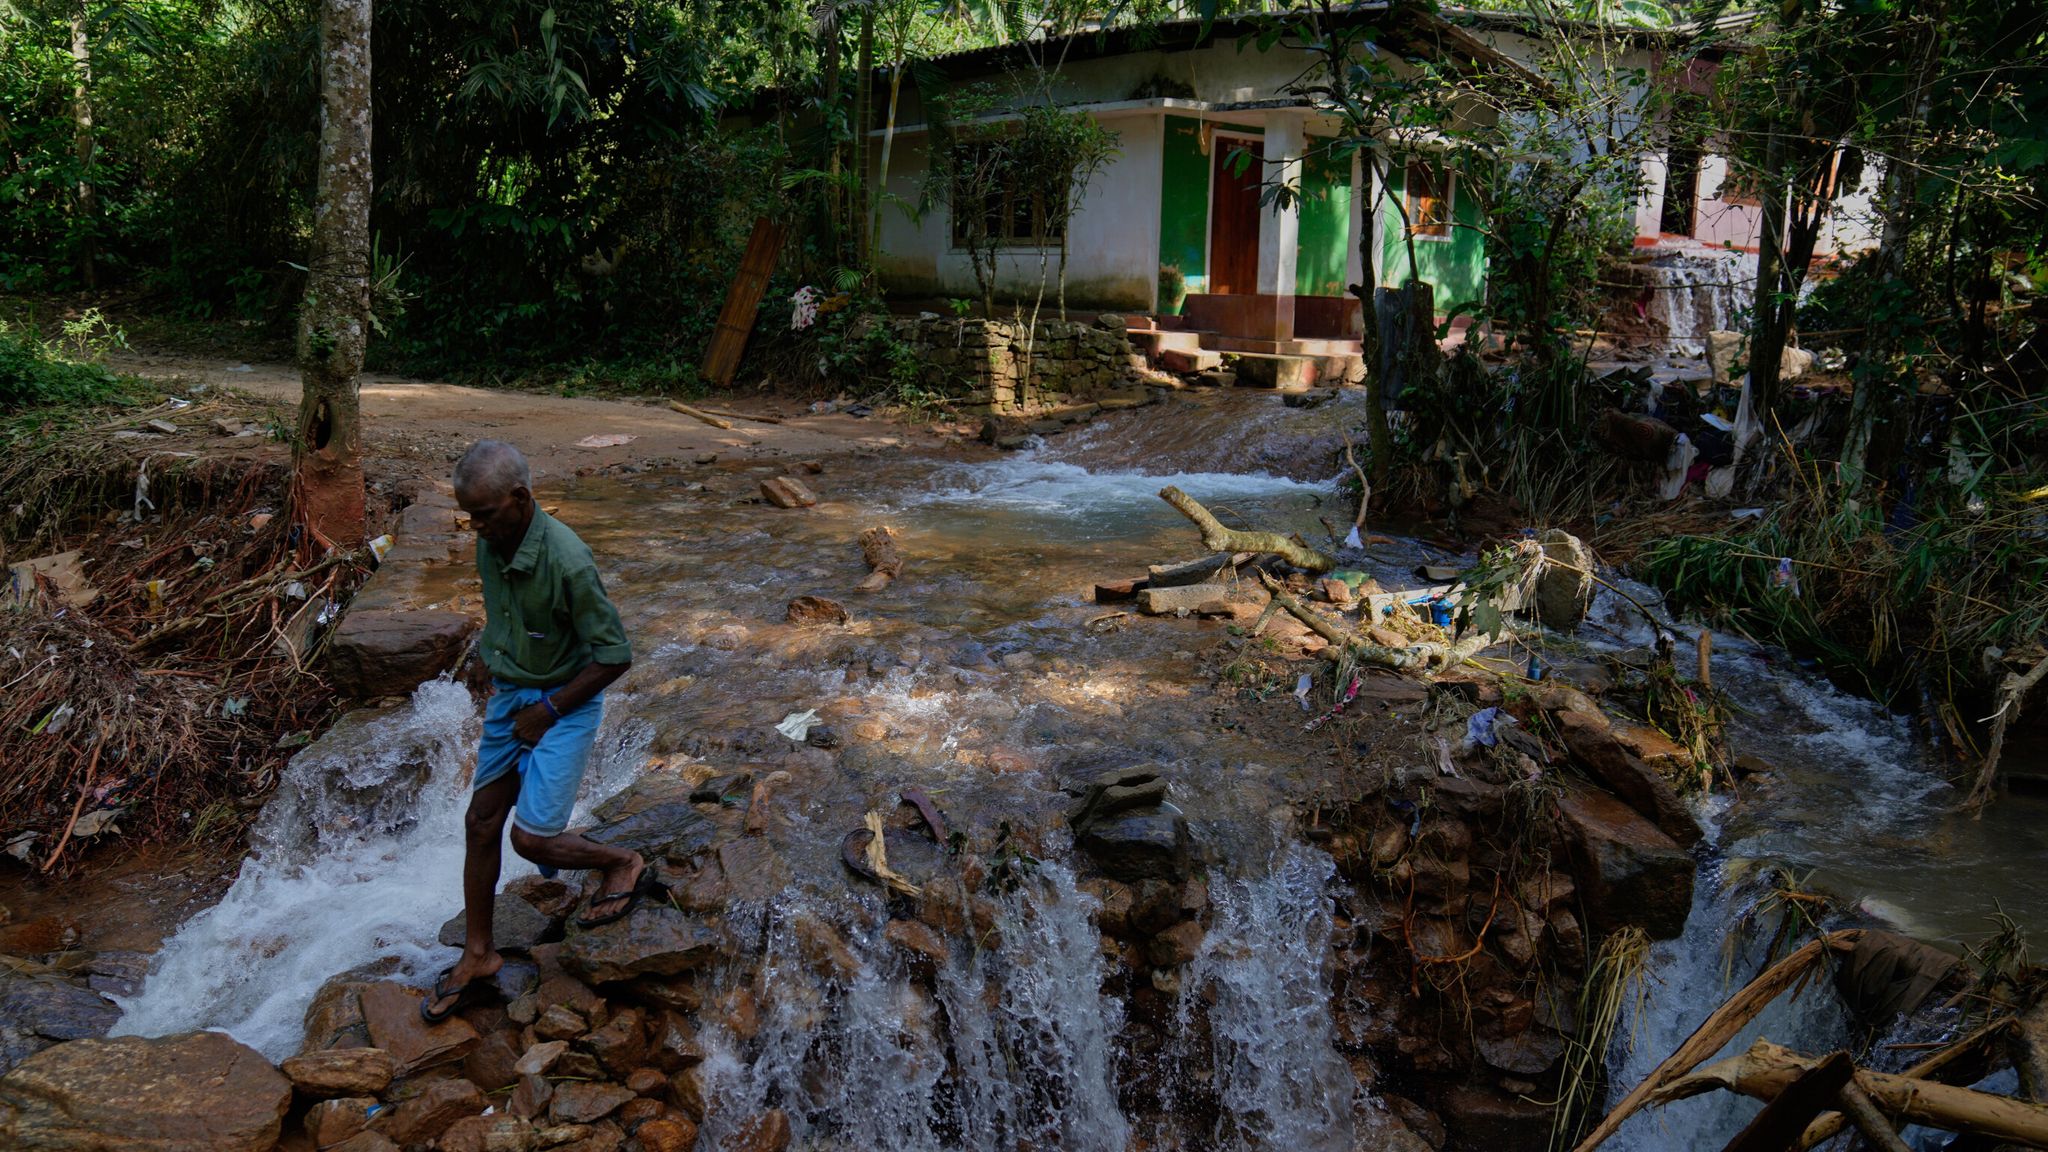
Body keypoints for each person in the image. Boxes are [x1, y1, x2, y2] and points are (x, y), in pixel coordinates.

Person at [422, 439, 650, 1023]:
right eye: (469, 515)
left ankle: (622, 861)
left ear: (521, 499)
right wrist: (490, 657)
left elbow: (615, 656)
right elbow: (504, 611)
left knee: (531, 840)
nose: (475, 527)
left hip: (566, 702)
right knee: (480, 823)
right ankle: (479, 954)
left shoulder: (568, 562)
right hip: (512, 694)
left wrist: (547, 711)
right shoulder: (492, 540)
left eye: (483, 514)